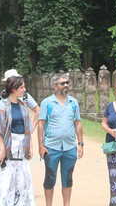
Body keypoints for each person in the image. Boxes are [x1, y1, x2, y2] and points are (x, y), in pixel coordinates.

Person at [0, 75, 35, 206]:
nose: (24, 90)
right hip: (9, 144)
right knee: (5, 177)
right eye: (22, 87)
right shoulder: (1, 106)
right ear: (14, 89)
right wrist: (2, 149)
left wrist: (30, 146)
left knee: (22, 178)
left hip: (21, 146)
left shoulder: (23, 105)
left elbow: (28, 128)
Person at [38, 73, 84, 206]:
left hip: (70, 147)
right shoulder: (47, 103)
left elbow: (78, 123)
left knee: (68, 178)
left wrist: (80, 144)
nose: (66, 85)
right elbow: (41, 124)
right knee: (50, 178)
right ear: (55, 86)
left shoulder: (73, 102)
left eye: (67, 83)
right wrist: (41, 146)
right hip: (51, 147)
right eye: (63, 83)